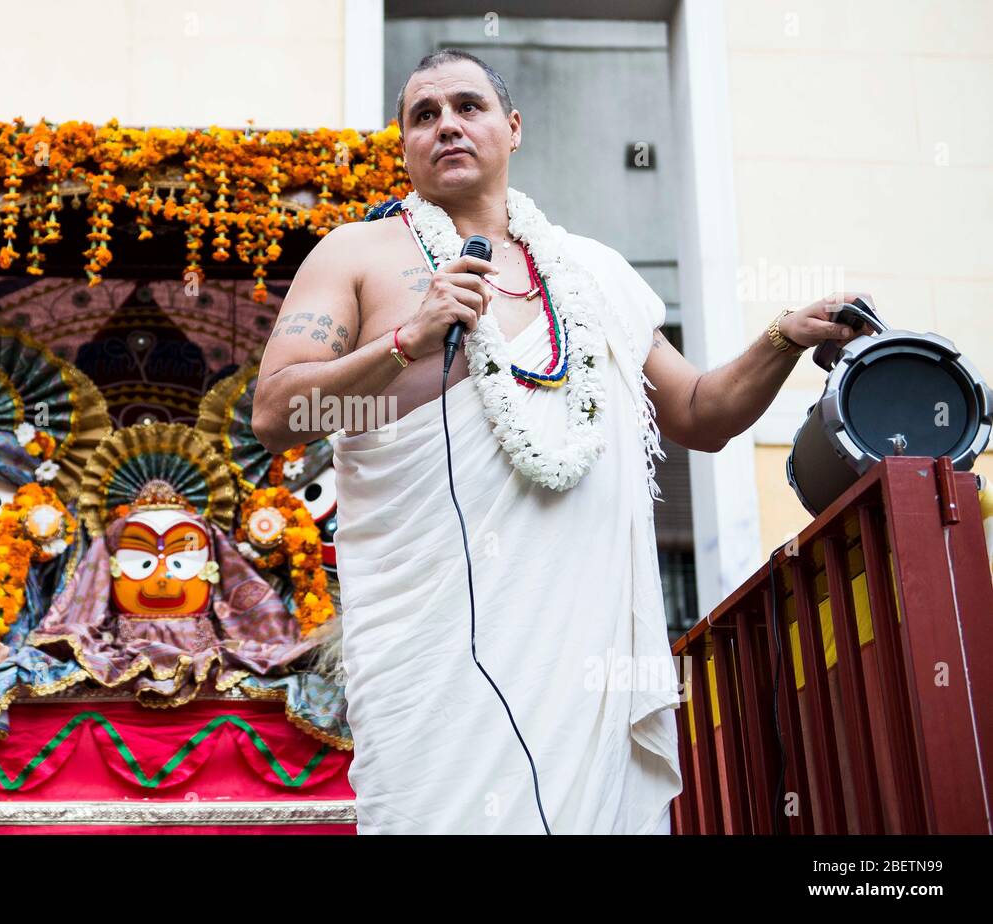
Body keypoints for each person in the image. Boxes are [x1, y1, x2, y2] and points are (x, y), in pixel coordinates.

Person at [251, 49, 871, 834]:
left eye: (468, 107)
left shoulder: (593, 272)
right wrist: (408, 338)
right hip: (431, 653)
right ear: (402, 146)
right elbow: (277, 412)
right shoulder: (357, 254)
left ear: (512, 129)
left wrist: (783, 337)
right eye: (423, 115)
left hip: (583, 657)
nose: (446, 124)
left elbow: (700, 413)